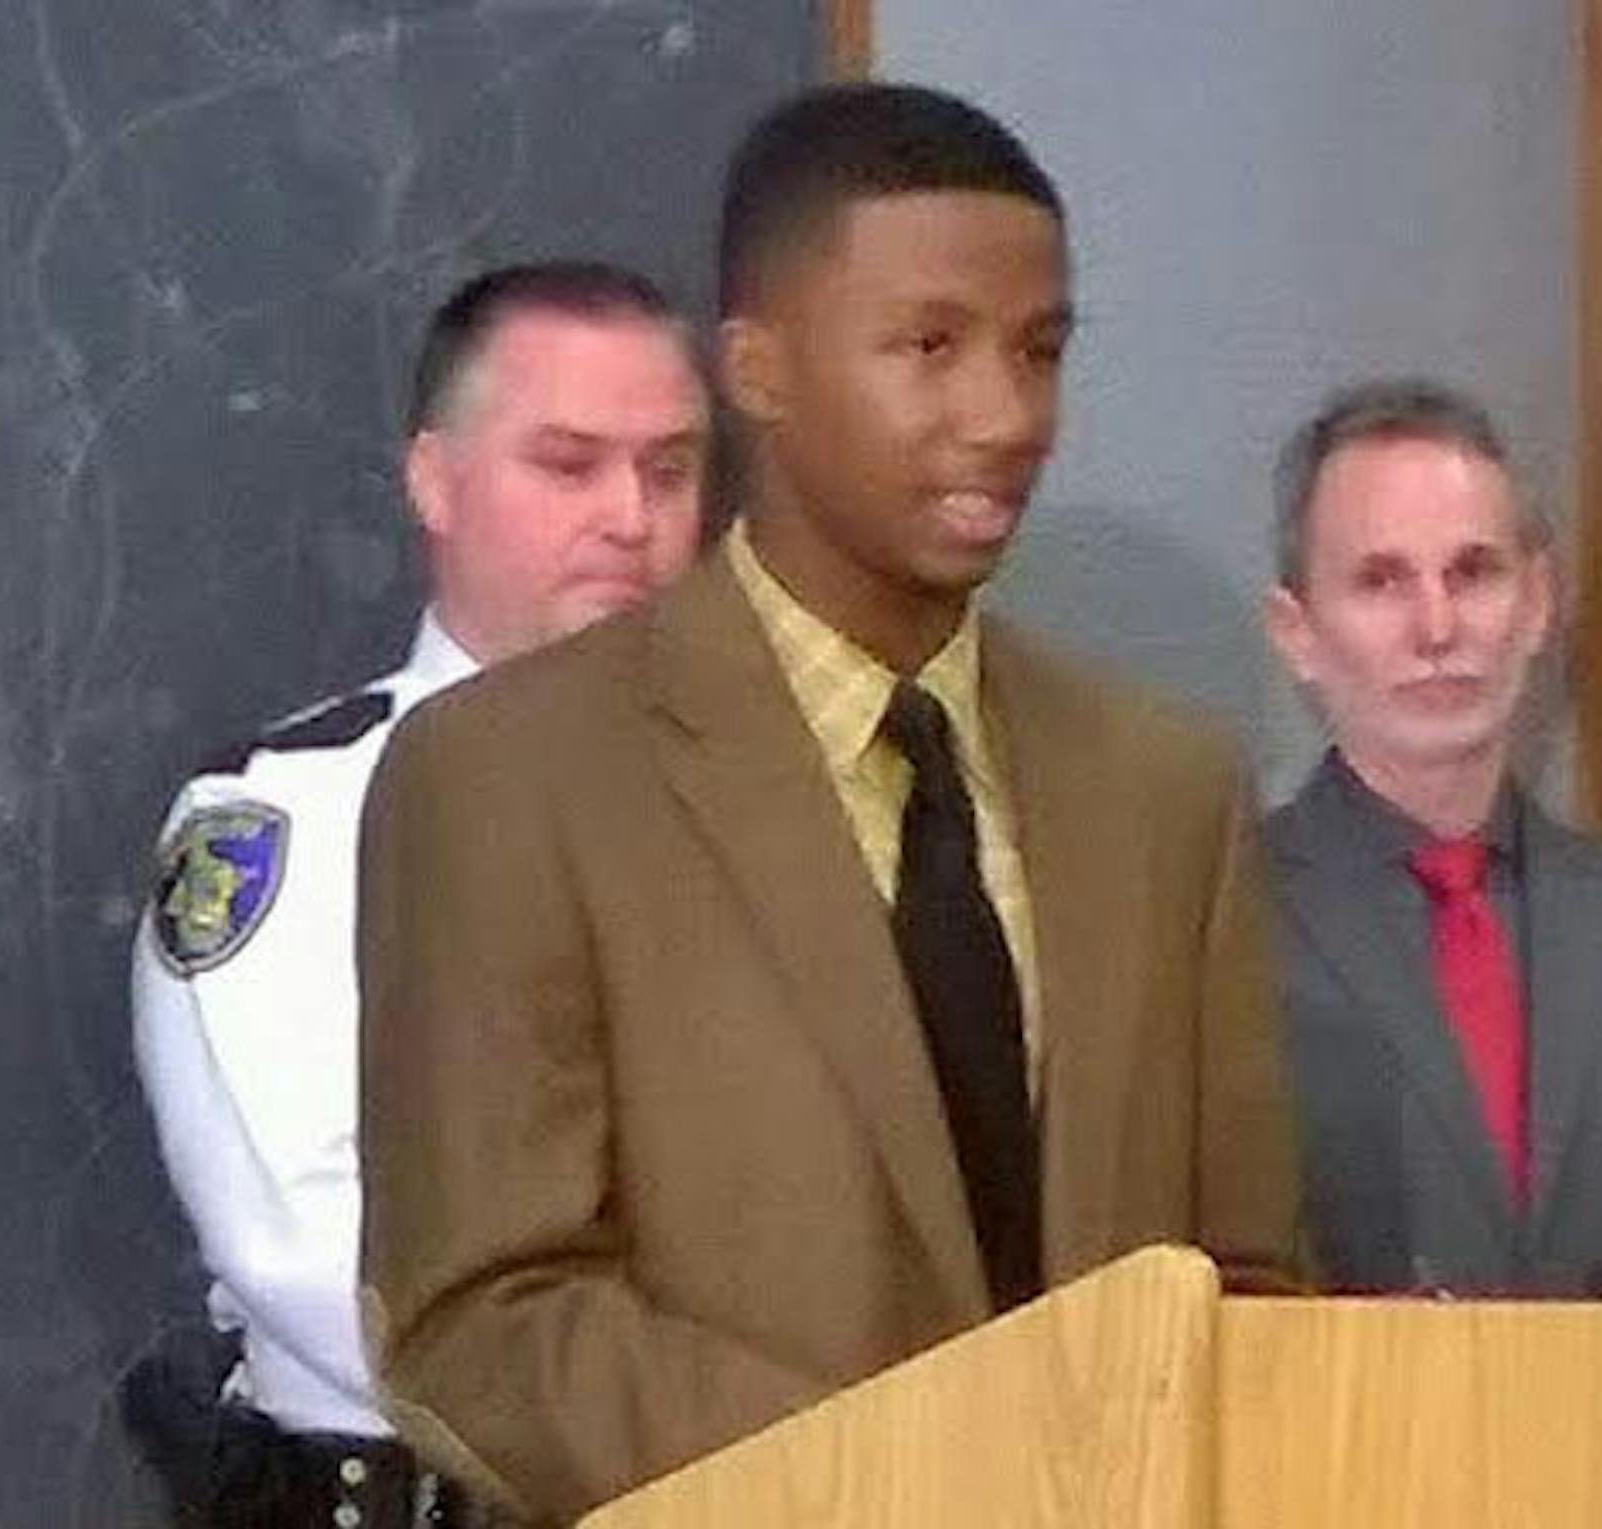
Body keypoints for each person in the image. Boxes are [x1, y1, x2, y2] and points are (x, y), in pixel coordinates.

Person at [356, 82, 1307, 1524]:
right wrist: (913, 1478)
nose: (1006, 417)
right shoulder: (511, 775)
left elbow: (1249, 1285)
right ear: (758, 367)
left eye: (1040, 350)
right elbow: (482, 1318)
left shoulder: (1164, 787)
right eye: (930, 346)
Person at [128, 260, 709, 1526]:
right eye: (569, 463)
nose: (631, 516)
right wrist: (713, 1449)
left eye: (670, 471)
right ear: (434, 482)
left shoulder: (764, 804)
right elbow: (308, 1246)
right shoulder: (289, 815)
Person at [1261, 376, 1602, 1297]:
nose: (1438, 626)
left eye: (1474, 571)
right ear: (1297, 632)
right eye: (1381, 580)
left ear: (1538, 600)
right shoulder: (1216, 932)